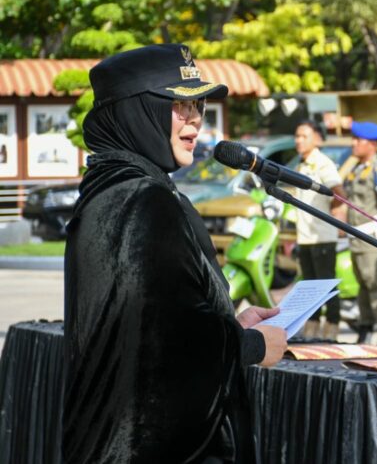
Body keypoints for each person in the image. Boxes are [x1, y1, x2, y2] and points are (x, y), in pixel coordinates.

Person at [63, 44, 287, 463]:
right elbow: (166, 347)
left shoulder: (116, 190)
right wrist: (251, 346)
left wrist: (227, 322)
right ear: (137, 111)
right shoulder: (143, 199)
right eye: (177, 104)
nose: (195, 118)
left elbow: (148, 322)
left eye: (198, 103)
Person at [343, 121, 377, 346]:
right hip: (357, 238)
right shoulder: (356, 169)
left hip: (373, 238)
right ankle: (365, 329)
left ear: (373, 144)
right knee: (363, 287)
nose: (354, 144)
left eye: (359, 140)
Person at [294, 119, 346, 340]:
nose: (299, 141)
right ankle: (312, 330)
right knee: (310, 286)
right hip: (305, 236)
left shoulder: (322, 163)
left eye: (304, 136)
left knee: (325, 285)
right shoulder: (302, 164)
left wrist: (334, 213)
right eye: (297, 136)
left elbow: (339, 192)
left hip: (322, 235)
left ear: (316, 138)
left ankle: (331, 330)